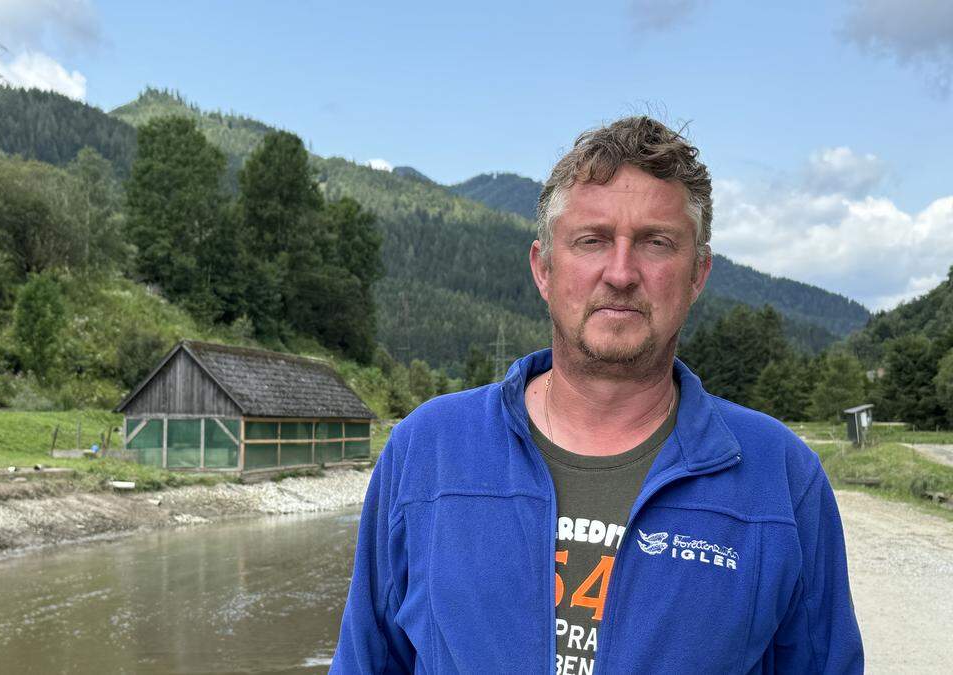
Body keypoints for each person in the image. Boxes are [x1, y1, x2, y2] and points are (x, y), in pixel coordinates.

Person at [330, 116, 863, 674]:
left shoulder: (779, 477)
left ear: (698, 274)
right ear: (544, 268)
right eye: (593, 240)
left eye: (657, 243)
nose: (621, 272)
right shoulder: (428, 449)